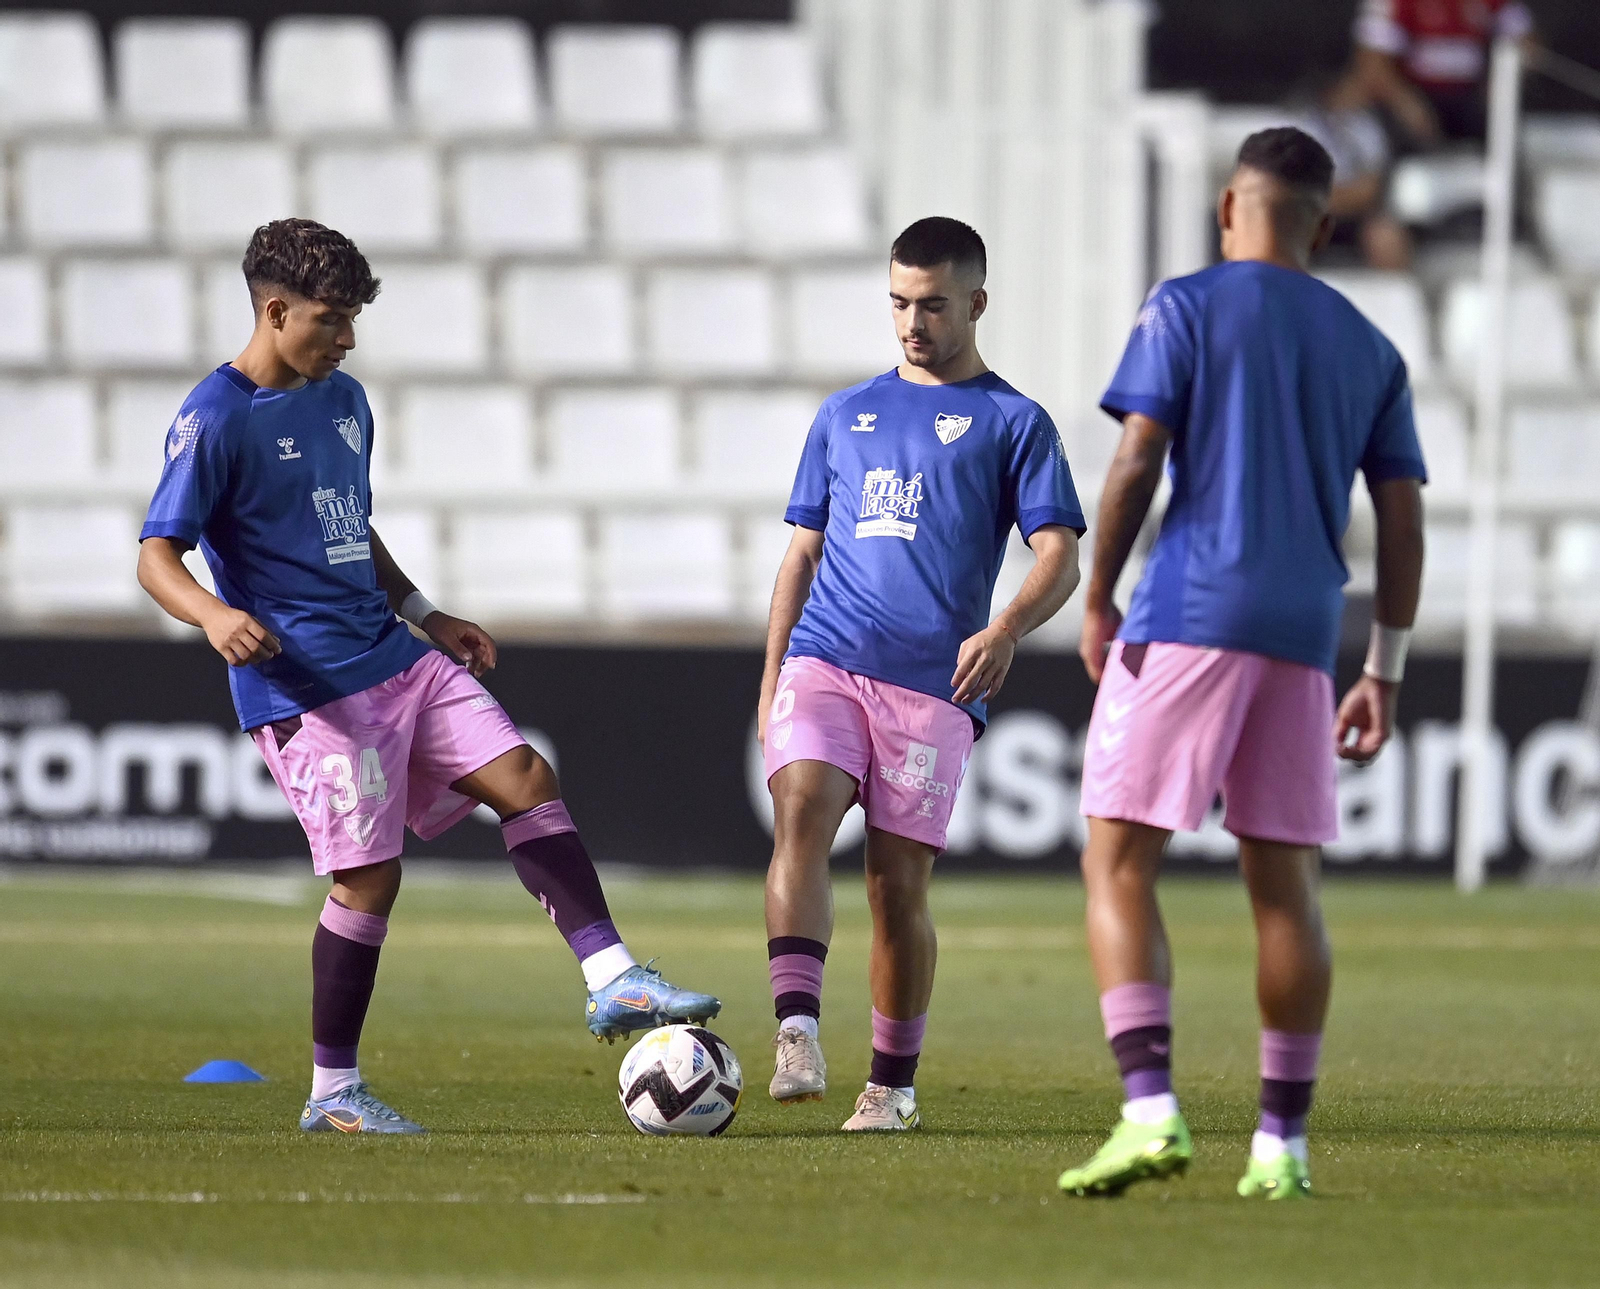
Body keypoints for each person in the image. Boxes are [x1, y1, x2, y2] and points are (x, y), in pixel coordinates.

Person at [136, 218, 719, 1136]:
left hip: (393, 652)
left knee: (525, 776)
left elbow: (348, 525)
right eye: (332, 319)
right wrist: (211, 614)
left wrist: (424, 613)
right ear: (275, 309)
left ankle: (614, 980)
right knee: (369, 880)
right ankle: (333, 1093)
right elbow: (157, 555)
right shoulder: (215, 417)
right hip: (306, 686)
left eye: (354, 319)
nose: (349, 338)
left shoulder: (345, 401)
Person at [1056, 129, 1426, 1199]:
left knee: (1118, 859)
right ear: (1322, 220)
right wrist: (1384, 668)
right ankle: (1281, 1145)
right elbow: (1400, 522)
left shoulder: (1184, 306)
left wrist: (1097, 591)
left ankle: (1149, 1111)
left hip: (1189, 612)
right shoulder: (1368, 345)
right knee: (1285, 888)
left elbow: (1135, 457)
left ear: (1230, 207)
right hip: (1305, 634)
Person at [758, 217, 1085, 1132]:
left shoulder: (1014, 422)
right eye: (899, 302)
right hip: (828, 656)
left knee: (896, 888)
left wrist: (1008, 626)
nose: (912, 322)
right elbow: (800, 558)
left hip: (934, 686)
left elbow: (1060, 553)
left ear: (976, 303)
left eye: (933, 304)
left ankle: (891, 1086)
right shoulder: (843, 413)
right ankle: (796, 1028)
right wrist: (771, 677)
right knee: (802, 811)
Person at [1355, 0, 1536, 145]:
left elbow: (1528, 43)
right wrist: (1407, 105)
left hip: (1472, 100)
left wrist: (1500, 86)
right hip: (1418, 99)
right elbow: (1373, 64)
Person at [1297, 66, 1412, 270]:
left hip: (1358, 216)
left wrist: (1335, 197)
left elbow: (1370, 190)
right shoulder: (1305, 127)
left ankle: (1392, 298)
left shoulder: (1367, 129)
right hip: (1312, 215)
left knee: (1386, 236)